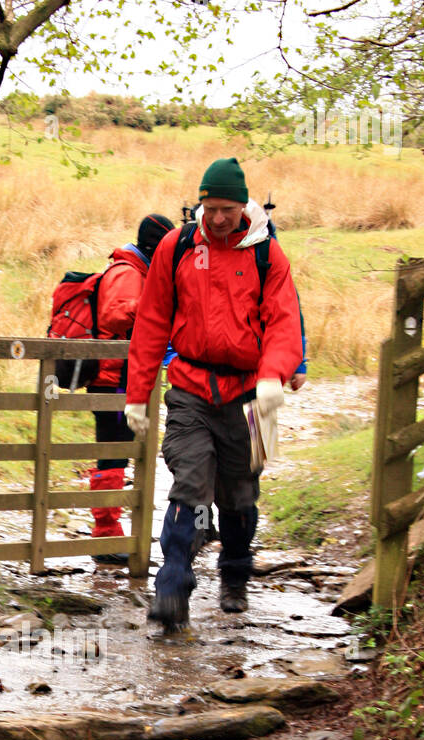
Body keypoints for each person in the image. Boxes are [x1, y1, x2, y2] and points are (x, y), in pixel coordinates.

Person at [124, 158, 303, 627]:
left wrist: (273, 376)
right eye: (210, 207)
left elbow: (284, 321)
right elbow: (151, 321)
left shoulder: (268, 254)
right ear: (200, 203)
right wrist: (137, 393)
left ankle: (235, 574)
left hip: (251, 394)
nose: (218, 217)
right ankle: (172, 590)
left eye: (227, 208)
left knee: (241, 495)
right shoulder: (177, 245)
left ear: (244, 205)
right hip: (190, 388)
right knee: (190, 485)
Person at [88, 214, 174, 560]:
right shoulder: (127, 272)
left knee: (117, 452)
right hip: (110, 379)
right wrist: (152, 305)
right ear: (155, 246)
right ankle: (106, 535)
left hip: (118, 378)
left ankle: (108, 532)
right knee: (112, 452)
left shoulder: (134, 270)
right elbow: (113, 316)